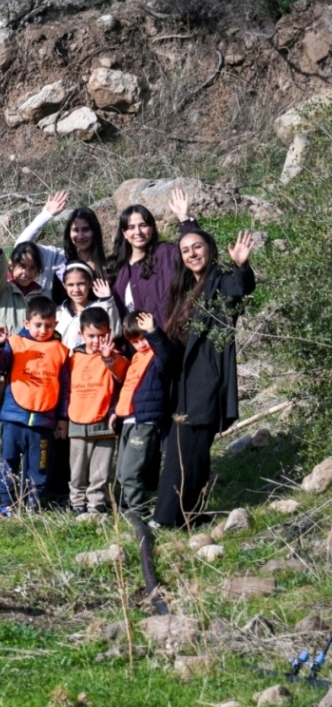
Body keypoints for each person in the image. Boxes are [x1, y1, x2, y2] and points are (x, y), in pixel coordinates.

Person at [153, 225, 257, 529]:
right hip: (184, 382)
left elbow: (240, 290)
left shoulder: (220, 283)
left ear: (210, 249)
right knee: (188, 451)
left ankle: (166, 518)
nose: (192, 254)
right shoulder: (185, 291)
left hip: (206, 380)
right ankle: (190, 514)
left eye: (197, 247)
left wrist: (241, 266)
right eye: (186, 250)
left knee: (187, 451)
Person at [0, 296, 69, 514]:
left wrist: (62, 417)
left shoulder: (61, 351)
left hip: (44, 422)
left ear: (56, 325)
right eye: (38, 325)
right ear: (26, 323)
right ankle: (6, 504)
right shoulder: (14, 343)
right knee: (8, 462)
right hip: (14, 417)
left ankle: (33, 503)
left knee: (40, 466)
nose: (43, 330)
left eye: (49, 325)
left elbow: (65, 388)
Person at [63, 307, 128, 518]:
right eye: (91, 336)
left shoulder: (115, 357)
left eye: (102, 336)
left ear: (109, 333)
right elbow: (65, 388)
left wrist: (109, 358)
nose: (97, 341)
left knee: (100, 471)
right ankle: (77, 504)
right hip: (77, 421)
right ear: (81, 334)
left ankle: (96, 505)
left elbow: (122, 376)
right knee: (77, 471)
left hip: (104, 423)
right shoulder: (73, 358)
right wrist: (63, 417)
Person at [112, 311, 170, 523]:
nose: (141, 344)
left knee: (130, 471)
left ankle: (141, 513)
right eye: (135, 341)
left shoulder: (157, 355)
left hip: (145, 421)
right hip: (127, 420)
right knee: (120, 472)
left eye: (143, 337)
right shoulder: (136, 358)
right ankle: (129, 509)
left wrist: (154, 332)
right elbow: (128, 388)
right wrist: (115, 412)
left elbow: (168, 358)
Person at [110, 189, 191, 319]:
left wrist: (185, 219)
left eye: (143, 225)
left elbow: (195, 252)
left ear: (152, 228)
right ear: (124, 233)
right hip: (131, 338)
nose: (138, 232)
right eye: (131, 227)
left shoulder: (167, 253)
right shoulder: (116, 268)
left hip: (165, 336)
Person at [14, 189, 110, 291]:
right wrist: (46, 215)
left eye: (86, 230)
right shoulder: (56, 257)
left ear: (95, 231)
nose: (80, 236)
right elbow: (21, 247)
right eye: (75, 230)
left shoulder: (106, 268)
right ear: (69, 233)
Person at [56, 263, 120, 349]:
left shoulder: (101, 307)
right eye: (71, 285)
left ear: (90, 283)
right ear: (64, 285)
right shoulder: (58, 312)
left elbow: (114, 333)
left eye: (81, 284)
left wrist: (107, 301)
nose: (76, 290)